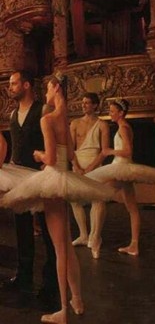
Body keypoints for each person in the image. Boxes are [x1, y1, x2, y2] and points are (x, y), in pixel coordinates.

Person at [1, 73, 116, 324]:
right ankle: (72, 297)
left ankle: (61, 302)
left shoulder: (46, 115)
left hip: (47, 178)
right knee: (54, 241)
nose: (47, 94)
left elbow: (52, 156)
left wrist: (40, 156)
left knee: (57, 244)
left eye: (49, 90)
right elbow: (70, 152)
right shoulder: (59, 118)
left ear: (54, 88)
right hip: (44, 176)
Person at [0, 70, 58, 310]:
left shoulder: (43, 110)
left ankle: (50, 282)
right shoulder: (13, 114)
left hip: (40, 177)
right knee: (22, 229)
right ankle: (23, 276)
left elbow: (55, 140)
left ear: (26, 85)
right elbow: (14, 144)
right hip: (20, 177)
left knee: (48, 231)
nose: (10, 87)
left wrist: (47, 161)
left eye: (14, 83)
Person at [86, 99, 155, 256]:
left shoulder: (123, 128)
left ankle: (95, 239)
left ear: (121, 113)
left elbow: (128, 151)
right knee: (132, 208)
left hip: (121, 168)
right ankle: (134, 245)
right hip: (122, 168)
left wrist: (110, 151)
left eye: (112, 111)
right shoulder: (123, 127)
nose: (110, 114)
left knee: (100, 197)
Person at [69, 92, 109, 259]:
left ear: (95, 105)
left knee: (97, 199)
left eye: (87, 103)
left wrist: (91, 167)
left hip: (94, 164)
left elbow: (104, 151)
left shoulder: (102, 125)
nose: (84, 105)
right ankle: (83, 234)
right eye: (83, 102)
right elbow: (71, 148)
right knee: (74, 200)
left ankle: (95, 236)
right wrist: (76, 166)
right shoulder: (75, 123)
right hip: (78, 164)